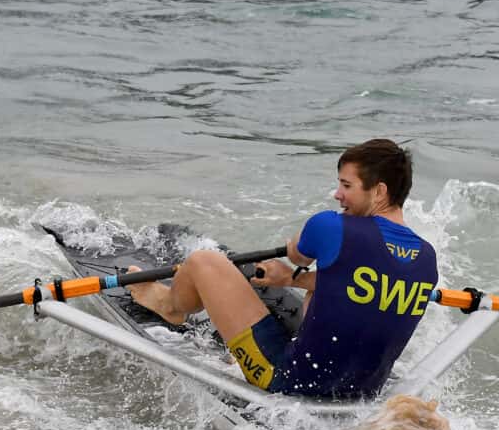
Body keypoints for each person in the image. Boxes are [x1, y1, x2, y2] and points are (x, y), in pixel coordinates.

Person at [128, 138, 438, 399]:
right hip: (360, 396)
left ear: (380, 192)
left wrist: (293, 267)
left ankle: (170, 306)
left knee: (202, 261)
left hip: (288, 384)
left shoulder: (332, 226)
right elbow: (352, 286)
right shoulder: (427, 259)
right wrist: (289, 279)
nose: (337, 195)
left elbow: (298, 254)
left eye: (346, 185)